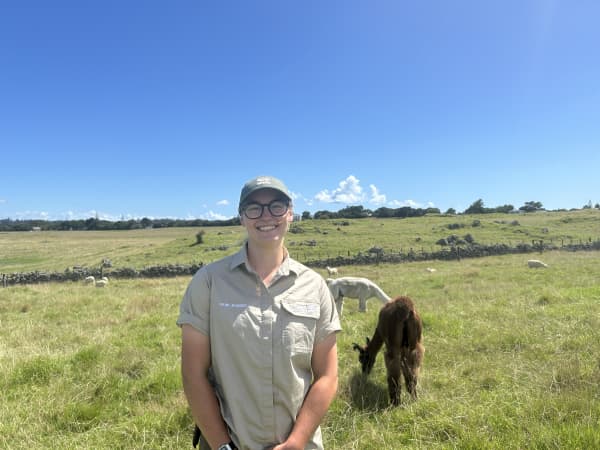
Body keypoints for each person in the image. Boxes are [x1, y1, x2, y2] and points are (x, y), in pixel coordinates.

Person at [177, 175, 341, 450]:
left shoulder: (315, 287)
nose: (266, 215)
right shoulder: (209, 282)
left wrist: (296, 442)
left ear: (290, 213)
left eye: (276, 206)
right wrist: (222, 446)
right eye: (254, 207)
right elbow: (193, 373)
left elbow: (327, 375)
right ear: (242, 217)